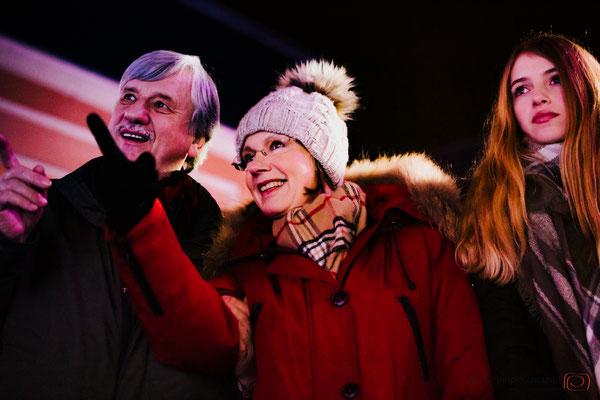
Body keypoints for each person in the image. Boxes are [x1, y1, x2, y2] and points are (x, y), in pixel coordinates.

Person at [96, 59, 493, 399]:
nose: (255, 165)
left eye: (276, 146)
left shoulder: (416, 236)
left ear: (320, 158)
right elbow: (199, 337)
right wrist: (143, 223)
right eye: (248, 155)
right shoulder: (244, 266)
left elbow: (467, 372)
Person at [0, 50, 239, 399]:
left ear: (196, 141)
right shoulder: (41, 211)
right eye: (129, 96)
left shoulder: (224, 256)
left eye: (161, 105)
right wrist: (6, 244)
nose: (135, 113)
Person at [457, 32, 600, 399]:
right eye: (521, 89)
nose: (538, 96)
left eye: (555, 79)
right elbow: (511, 349)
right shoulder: (494, 207)